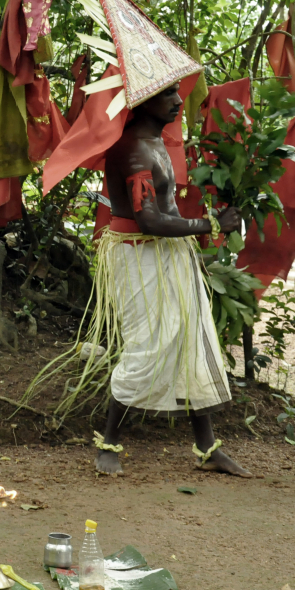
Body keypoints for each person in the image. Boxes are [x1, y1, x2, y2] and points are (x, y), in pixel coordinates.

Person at [94, 82, 251, 477]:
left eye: (177, 92)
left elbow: (166, 210)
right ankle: (108, 445)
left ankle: (207, 448)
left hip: (169, 254)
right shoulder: (133, 148)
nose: (179, 101)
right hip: (139, 256)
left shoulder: (155, 141)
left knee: (187, 340)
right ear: (143, 99)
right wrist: (210, 223)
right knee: (146, 346)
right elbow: (148, 219)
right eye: (167, 94)